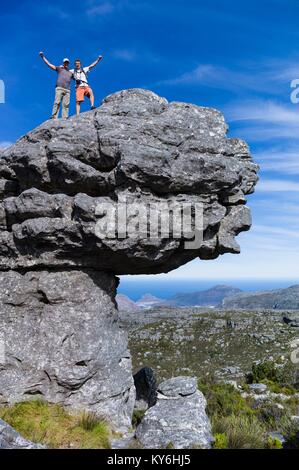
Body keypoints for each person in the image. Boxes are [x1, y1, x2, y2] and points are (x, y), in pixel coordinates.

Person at [39, 52, 74, 120]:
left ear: (68, 64)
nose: (66, 64)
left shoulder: (70, 73)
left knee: (66, 105)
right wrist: (43, 57)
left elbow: (77, 77)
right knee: (57, 102)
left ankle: (65, 118)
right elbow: (49, 64)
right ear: (63, 63)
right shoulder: (59, 69)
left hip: (67, 90)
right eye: (65, 62)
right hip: (59, 88)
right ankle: (54, 117)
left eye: (67, 63)